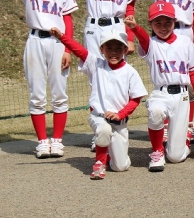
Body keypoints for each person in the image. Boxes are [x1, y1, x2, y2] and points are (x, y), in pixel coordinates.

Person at [62, 0, 140, 152]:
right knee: (95, 79)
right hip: (94, 27)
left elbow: (130, 8)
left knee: (116, 77)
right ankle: (99, 129)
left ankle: (118, 124)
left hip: (116, 27)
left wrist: (131, 36)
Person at [0, 0, 79, 159]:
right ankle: (42, 141)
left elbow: (68, 21)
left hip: (57, 42)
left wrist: (68, 48)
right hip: (35, 41)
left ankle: (57, 140)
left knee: (59, 93)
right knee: (36, 94)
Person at [129, 0, 194, 144]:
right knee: (165, 77)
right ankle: (165, 125)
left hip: (184, 31)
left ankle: (188, 126)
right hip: (161, 31)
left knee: (187, 81)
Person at [49, 27, 147, 180]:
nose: (113, 52)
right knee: (103, 129)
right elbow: (79, 50)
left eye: (118, 48)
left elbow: (135, 99)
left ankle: (109, 156)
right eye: (109, 47)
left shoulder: (130, 71)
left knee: (120, 167)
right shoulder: (96, 65)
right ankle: (99, 162)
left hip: (120, 121)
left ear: (125, 49)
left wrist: (120, 114)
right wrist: (62, 37)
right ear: (102, 49)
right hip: (99, 116)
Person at [124, 2, 194, 171]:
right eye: (157, 23)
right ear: (151, 24)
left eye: (167, 22)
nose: (163, 27)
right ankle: (157, 151)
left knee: (175, 157)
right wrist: (135, 28)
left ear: (174, 21)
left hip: (182, 96)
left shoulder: (185, 42)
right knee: (156, 111)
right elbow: (144, 39)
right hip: (161, 93)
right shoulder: (151, 44)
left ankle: (185, 137)